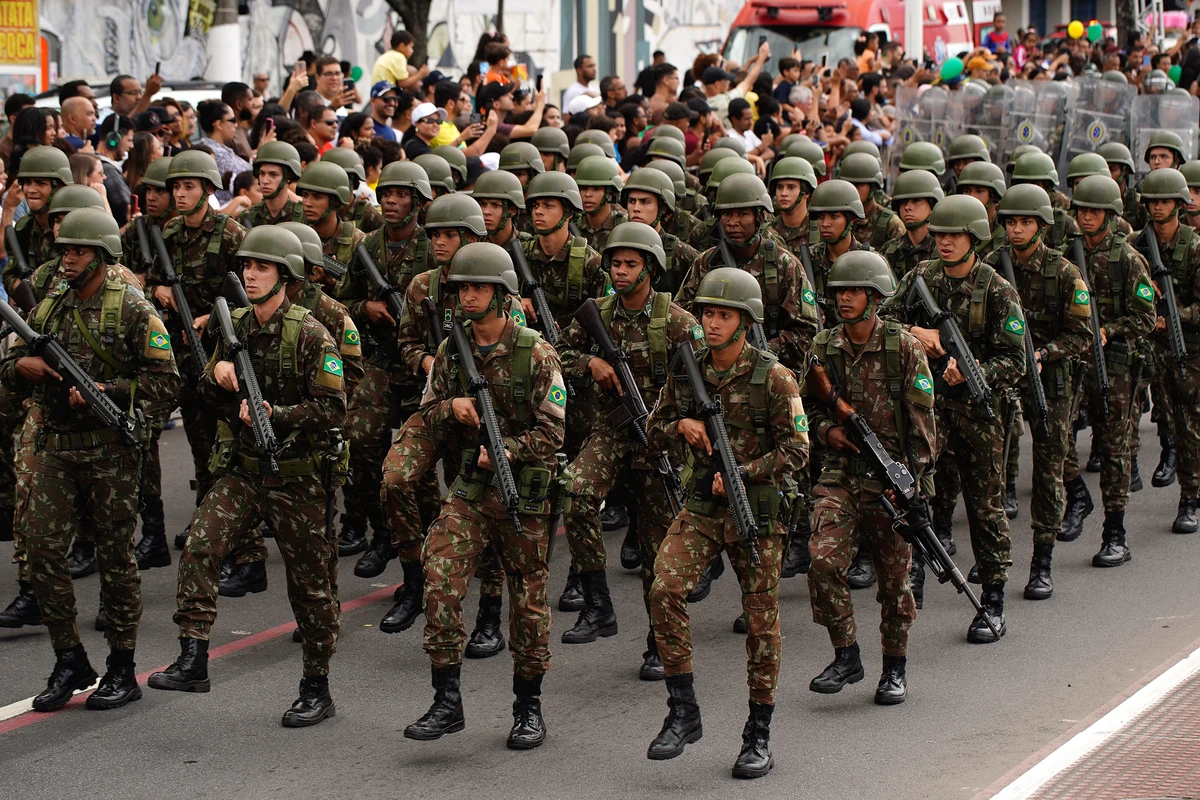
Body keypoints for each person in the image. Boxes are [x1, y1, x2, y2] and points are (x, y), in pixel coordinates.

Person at [149, 226, 346, 728]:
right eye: (247, 267)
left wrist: (274, 413)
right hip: (243, 470)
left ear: (286, 275)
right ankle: (193, 656)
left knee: (310, 587)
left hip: (297, 476)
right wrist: (215, 377)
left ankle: (316, 685)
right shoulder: (231, 324)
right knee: (200, 546)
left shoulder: (310, 334)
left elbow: (333, 409)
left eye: (262, 267)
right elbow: (205, 394)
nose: (250, 275)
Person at [2, 207, 179, 711]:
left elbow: (166, 384)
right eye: (64, 250)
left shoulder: (134, 310)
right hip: (56, 449)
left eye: (79, 251)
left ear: (102, 257)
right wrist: (23, 367)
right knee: (38, 550)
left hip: (109, 453)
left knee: (115, 560)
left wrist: (108, 391)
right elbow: (9, 364)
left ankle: (122, 666)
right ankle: (70, 658)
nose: (68, 259)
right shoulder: (49, 305)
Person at [644, 267, 806, 777]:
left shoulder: (774, 377)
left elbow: (798, 451)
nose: (711, 324)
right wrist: (680, 425)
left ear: (745, 322)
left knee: (761, 622)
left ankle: (758, 731)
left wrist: (747, 471)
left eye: (723, 315)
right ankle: (683, 709)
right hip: (704, 508)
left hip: (756, 512)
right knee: (664, 589)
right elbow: (654, 429)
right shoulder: (686, 367)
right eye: (708, 313)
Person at [403, 241, 565, 750]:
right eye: (462, 288)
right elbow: (426, 410)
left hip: (525, 495)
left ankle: (528, 706)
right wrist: (452, 407)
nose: (468, 296)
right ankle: (446, 700)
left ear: (502, 294)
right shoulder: (454, 348)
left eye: (478, 288)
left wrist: (509, 450)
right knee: (440, 576)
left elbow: (556, 432)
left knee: (529, 602)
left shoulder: (536, 353)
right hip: (473, 487)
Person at [556, 221, 700, 681]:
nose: (619, 271)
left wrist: (680, 421)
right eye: (615, 263)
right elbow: (555, 353)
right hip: (612, 432)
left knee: (659, 551)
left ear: (650, 269)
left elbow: (707, 379)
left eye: (630, 264)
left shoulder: (677, 322)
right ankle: (598, 604)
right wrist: (590, 362)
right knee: (575, 495)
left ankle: (661, 643)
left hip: (661, 441)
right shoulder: (597, 312)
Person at [880, 195, 1025, 643]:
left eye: (954, 235)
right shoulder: (920, 277)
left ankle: (993, 600)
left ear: (974, 238)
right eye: (940, 234)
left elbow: (1015, 359)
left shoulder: (997, 289)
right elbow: (882, 318)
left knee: (984, 506)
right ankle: (916, 575)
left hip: (979, 414)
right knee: (918, 495)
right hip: (927, 410)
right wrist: (914, 333)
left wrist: (974, 370)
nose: (944, 242)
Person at [807, 251, 935, 706]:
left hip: (891, 481)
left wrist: (915, 487)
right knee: (821, 561)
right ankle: (846, 653)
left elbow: (923, 428)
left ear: (875, 298)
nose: (844, 299)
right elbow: (802, 413)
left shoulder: (904, 348)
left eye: (854, 291)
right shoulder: (823, 348)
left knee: (895, 581)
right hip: (841, 474)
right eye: (839, 291)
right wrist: (827, 430)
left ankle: (894, 667)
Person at [984, 185, 1093, 600]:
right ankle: (995, 555)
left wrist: (1047, 352)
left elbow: (1082, 334)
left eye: (1025, 221)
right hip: (1007, 375)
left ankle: (1042, 560)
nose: (1016, 229)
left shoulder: (1065, 273)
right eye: (1011, 221)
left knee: (1049, 468)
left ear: (1041, 226)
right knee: (994, 466)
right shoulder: (993, 268)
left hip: (1051, 380)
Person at [146, 151, 248, 548]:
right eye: (176, 186)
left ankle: (228, 525)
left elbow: (246, 297)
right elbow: (152, 280)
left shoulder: (232, 234)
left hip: (218, 351)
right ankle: (206, 516)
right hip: (181, 354)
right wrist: (160, 289)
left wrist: (209, 318)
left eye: (188, 186)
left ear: (208, 189)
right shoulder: (170, 233)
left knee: (222, 439)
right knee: (197, 437)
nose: (180, 193)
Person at [1060, 175, 1155, 566]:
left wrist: (1108, 330)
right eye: (1082, 210)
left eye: (1094, 211)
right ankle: (1078, 495)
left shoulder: (1127, 258)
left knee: (1115, 449)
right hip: (1074, 360)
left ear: (1111, 214)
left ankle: (1115, 532)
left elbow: (1146, 318)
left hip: (1114, 365)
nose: (1086, 217)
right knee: (1058, 437)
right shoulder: (1066, 254)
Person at [1133, 168, 1200, 533]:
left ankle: (1189, 498)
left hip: (1187, 347)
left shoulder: (1194, 248)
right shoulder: (1137, 244)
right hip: (1148, 348)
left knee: (1189, 425)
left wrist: (1173, 316)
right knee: (1164, 420)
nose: (1158, 208)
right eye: (1153, 201)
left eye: (1165, 201)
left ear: (1179, 205)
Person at [881, 169, 943, 278]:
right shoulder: (889, 250)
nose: (907, 207)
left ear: (933, 206)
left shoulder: (943, 249)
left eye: (916, 201)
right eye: (903, 202)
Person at [840, 152, 904, 249]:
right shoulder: (837, 220)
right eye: (849, 185)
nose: (853, 190)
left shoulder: (892, 225)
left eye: (859, 185)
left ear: (872, 187)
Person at [196, 101, 252, 205]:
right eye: (232, 120)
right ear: (219, 124)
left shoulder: (221, 147)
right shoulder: (213, 152)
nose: (236, 124)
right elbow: (246, 179)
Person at [239, 141, 302, 228]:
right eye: (262, 173)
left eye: (273, 174)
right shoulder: (248, 217)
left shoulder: (304, 217)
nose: (265, 181)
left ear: (288, 177)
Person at [574, 155, 628, 252]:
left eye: (596, 189)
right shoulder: (573, 221)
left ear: (609, 193)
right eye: (583, 188)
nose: (587, 194)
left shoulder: (625, 225)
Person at [95, 114, 134, 226]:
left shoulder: (99, 165)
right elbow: (126, 209)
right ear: (114, 139)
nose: (131, 146)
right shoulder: (108, 170)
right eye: (129, 140)